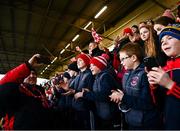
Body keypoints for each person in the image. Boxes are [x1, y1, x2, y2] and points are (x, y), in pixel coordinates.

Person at [109, 43, 161, 130]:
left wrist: (123, 97)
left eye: (123, 59)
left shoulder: (145, 74)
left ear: (133, 58)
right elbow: (128, 95)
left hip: (145, 123)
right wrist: (121, 96)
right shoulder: (126, 74)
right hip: (132, 121)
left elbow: (147, 103)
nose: (121, 63)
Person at [0, 54, 53, 130]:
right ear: (23, 76)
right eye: (29, 74)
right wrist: (28, 65)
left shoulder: (40, 90)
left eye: (34, 74)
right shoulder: (16, 89)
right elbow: (3, 85)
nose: (32, 76)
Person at [147, 25, 180, 129]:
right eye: (162, 41)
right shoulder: (165, 69)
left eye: (170, 38)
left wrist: (169, 84)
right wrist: (154, 86)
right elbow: (159, 103)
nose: (164, 42)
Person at [74, 55, 118, 129]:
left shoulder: (105, 77)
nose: (90, 67)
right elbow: (98, 93)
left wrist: (84, 94)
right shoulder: (97, 77)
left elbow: (105, 96)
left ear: (100, 65)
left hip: (109, 116)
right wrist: (89, 92)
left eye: (93, 65)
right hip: (103, 114)